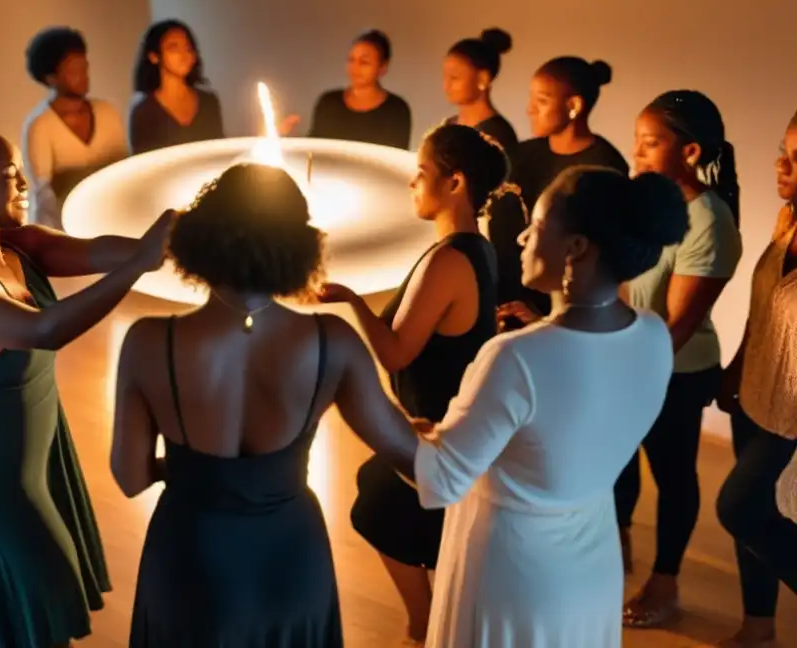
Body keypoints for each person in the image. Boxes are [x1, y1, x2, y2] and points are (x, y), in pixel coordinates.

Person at [110, 162, 421, 647]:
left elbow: (129, 478)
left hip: (191, 556)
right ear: (297, 247)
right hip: (289, 558)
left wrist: (194, 469)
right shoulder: (331, 341)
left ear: (200, 239)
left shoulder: (148, 342)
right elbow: (414, 459)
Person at [0, 122, 174, 648]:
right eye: (7, 174)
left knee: (38, 626)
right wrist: (139, 264)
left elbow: (99, 252)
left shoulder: (20, 247)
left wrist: (162, 242)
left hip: (43, 460)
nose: (22, 184)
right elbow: (45, 330)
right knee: (36, 626)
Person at [416, 165, 688, 647]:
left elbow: (439, 479)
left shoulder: (516, 357)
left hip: (514, 569)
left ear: (576, 248)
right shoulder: (652, 336)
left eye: (537, 226)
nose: (521, 237)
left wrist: (366, 398)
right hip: (592, 561)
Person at [318, 124, 507, 643]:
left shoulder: (449, 259)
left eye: (422, 174)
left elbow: (396, 349)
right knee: (377, 486)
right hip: (445, 420)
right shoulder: (475, 248)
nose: (412, 184)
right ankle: (434, 614)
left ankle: (425, 621)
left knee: (378, 505)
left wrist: (351, 301)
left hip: (442, 428)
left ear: (455, 183)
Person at [614, 90, 742, 629]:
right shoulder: (648, 202)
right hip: (629, 359)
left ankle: (665, 582)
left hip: (677, 371)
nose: (637, 153)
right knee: (617, 471)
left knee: (673, 476)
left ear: (689, 152)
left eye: (650, 143)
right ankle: (609, 559)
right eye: (637, 141)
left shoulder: (708, 221)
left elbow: (675, 329)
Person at [715, 109, 797, 648]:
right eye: (784, 150)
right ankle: (758, 626)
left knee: (738, 506)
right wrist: (738, 366)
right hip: (755, 387)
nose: (781, 165)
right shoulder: (788, 219)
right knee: (753, 515)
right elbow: (763, 305)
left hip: (790, 406)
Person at [490, 56, 627, 311]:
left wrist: (548, 314)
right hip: (507, 299)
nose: (529, 109)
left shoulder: (604, 167)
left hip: (564, 309)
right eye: (531, 99)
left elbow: (596, 255)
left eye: (541, 101)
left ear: (573, 105)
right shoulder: (520, 156)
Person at [22, 26, 128, 229]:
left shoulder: (107, 112)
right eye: (73, 71)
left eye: (84, 68)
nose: (83, 76)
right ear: (51, 77)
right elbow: (44, 196)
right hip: (66, 229)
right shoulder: (40, 126)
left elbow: (124, 168)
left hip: (113, 219)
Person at [127, 19, 225, 154]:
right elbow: (144, 165)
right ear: (154, 56)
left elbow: (220, 150)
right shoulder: (144, 112)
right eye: (173, 48)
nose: (184, 54)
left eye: (188, 48)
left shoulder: (208, 101)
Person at [305, 29, 413, 150]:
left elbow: (395, 159)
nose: (355, 67)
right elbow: (313, 150)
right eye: (351, 60)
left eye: (364, 62)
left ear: (382, 67)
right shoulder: (328, 103)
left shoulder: (396, 110)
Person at [443, 28, 518, 154]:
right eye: (444, 77)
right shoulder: (449, 124)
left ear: (482, 79)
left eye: (454, 78)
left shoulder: (496, 135)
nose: (446, 86)